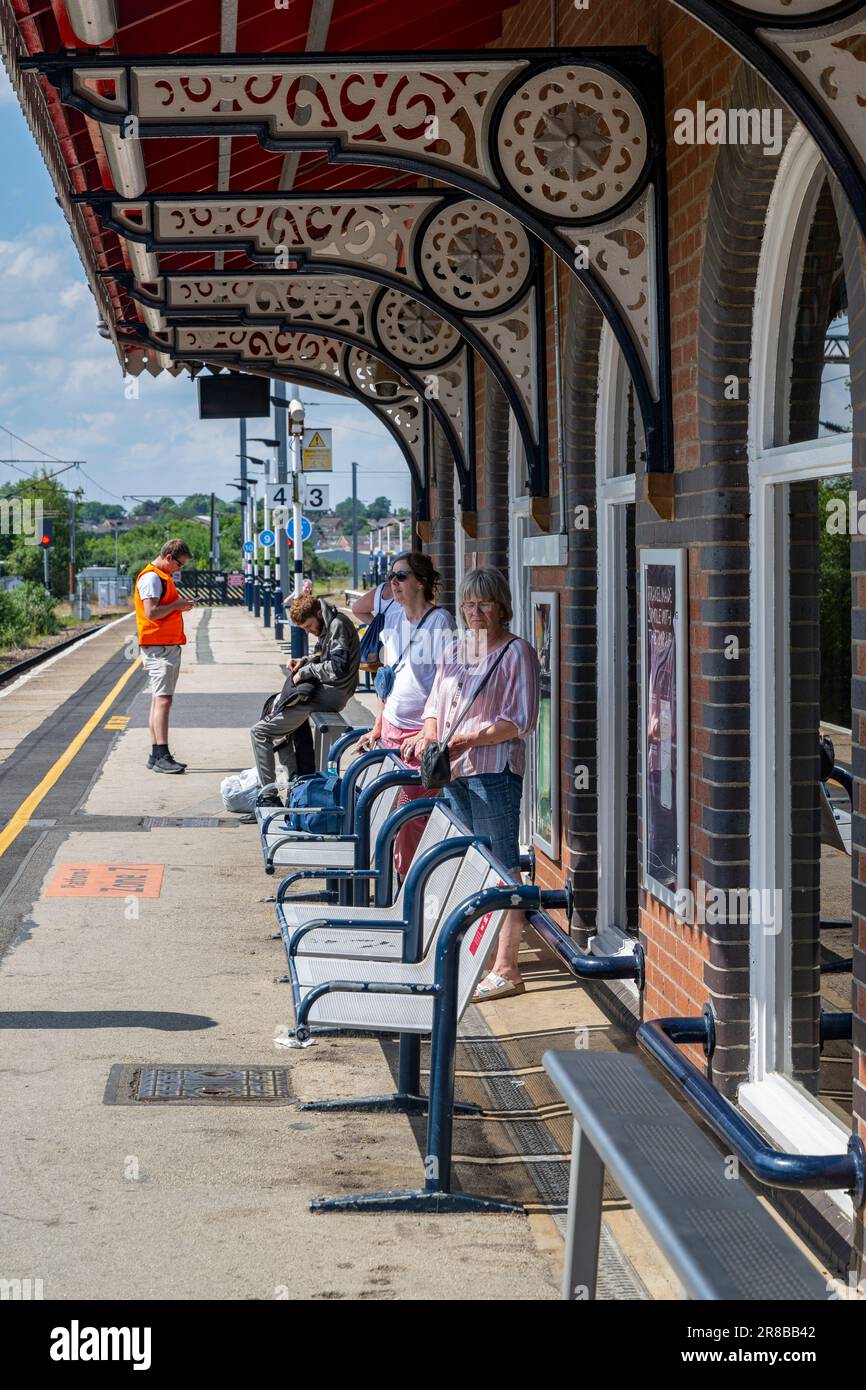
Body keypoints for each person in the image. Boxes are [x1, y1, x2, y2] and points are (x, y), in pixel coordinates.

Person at [403, 567, 540, 1001]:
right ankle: (472, 956)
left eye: (483, 603)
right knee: (469, 861)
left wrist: (467, 739)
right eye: (467, 604)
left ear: (501, 606)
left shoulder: (517, 653)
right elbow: (433, 706)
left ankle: (507, 967)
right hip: (454, 770)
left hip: (493, 771)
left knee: (501, 866)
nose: (474, 612)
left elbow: (520, 720)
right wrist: (427, 735)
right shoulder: (456, 650)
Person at [357, 553, 455, 877]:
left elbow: (447, 686)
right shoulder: (395, 618)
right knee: (386, 811)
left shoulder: (440, 622)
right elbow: (388, 677)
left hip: (418, 737)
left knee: (411, 815)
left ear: (421, 582)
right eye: (391, 577)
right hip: (391, 730)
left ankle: (411, 889)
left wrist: (429, 733)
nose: (393, 584)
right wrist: (377, 724)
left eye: (400, 576)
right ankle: (396, 884)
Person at [250, 594, 360, 808]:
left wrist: (306, 671)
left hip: (332, 693)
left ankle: (269, 798)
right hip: (329, 690)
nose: (308, 631)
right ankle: (296, 783)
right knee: (278, 708)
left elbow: (337, 668)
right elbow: (324, 657)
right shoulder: (329, 622)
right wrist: (304, 661)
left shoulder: (338, 625)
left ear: (318, 613)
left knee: (260, 731)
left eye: (309, 626)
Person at [133, 539, 194, 774]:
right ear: (169, 557)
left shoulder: (160, 577)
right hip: (159, 648)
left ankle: (156, 754)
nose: (180, 569)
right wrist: (178, 605)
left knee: (158, 700)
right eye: (179, 564)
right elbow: (151, 612)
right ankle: (162, 755)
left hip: (163, 646)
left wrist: (178, 606)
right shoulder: (152, 578)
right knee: (163, 700)